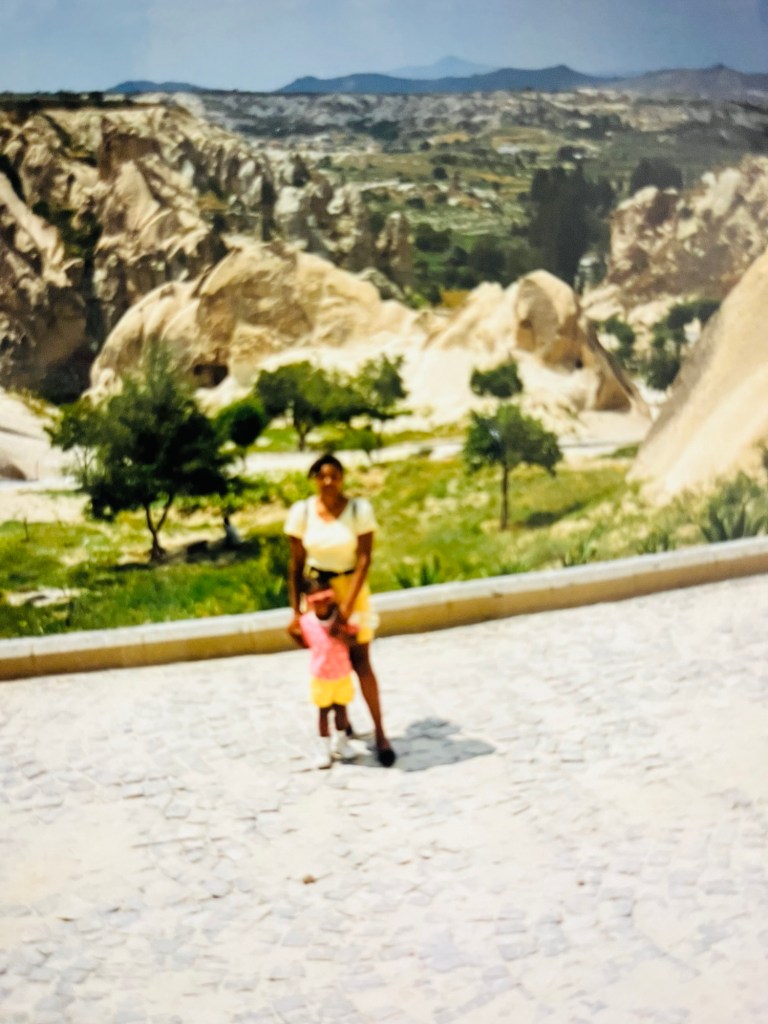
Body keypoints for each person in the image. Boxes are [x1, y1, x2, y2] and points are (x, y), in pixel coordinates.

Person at [285, 453, 396, 767]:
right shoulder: (302, 512)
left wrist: (347, 608)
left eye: (334, 475)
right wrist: (296, 611)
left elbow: (364, 559)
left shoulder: (358, 510)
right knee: (329, 660)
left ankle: (381, 734)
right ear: (314, 479)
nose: (328, 482)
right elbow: (295, 563)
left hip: (351, 590)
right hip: (318, 593)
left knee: (361, 660)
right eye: (322, 476)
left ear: (342, 478)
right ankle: (340, 729)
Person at [296, 582, 358, 769]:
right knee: (323, 713)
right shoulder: (306, 622)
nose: (322, 604)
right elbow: (296, 634)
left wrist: (341, 635)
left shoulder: (341, 618)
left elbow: (354, 639)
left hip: (342, 673)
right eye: (317, 600)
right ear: (309, 601)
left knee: (341, 711)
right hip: (321, 676)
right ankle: (323, 746)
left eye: (326, 598)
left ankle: (341, 741)